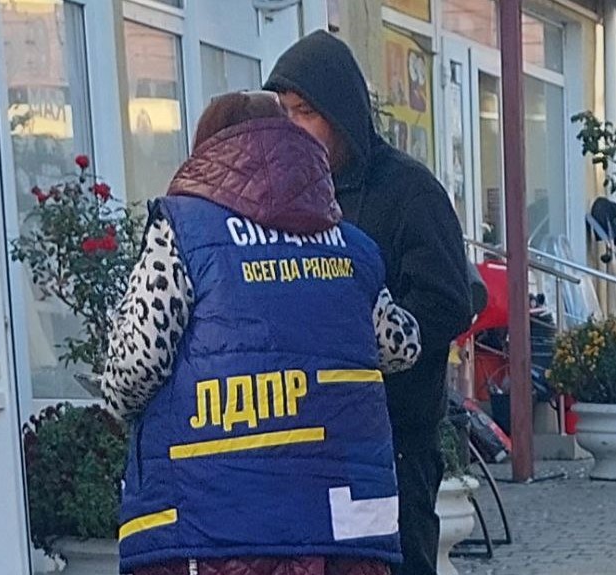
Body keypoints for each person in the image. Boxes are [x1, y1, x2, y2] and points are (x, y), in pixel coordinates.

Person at [101, 91, 422, 575]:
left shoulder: (184, 230)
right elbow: (400, 346)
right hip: (341, 529)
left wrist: (114, 404)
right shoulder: (351, 247)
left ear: (208, 150)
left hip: (216, 522)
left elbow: (136, 365)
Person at [264, 31, 473, 575]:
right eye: (284, 112)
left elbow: (450, 300)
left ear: (341, 111)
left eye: (306, 112)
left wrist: (373, 342)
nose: (293, 126)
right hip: (314, 440)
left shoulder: (408, 189)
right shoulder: (288, 197)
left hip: (396, 439)